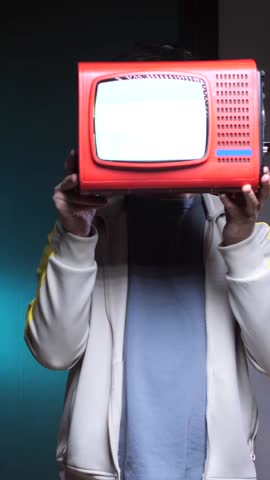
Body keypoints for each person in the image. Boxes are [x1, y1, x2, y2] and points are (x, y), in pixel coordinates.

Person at [25, 46, 270, 480]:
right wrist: (76, 232)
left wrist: (241, 237)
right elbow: (53, 353)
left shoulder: (251, 238)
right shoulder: (85, 233)